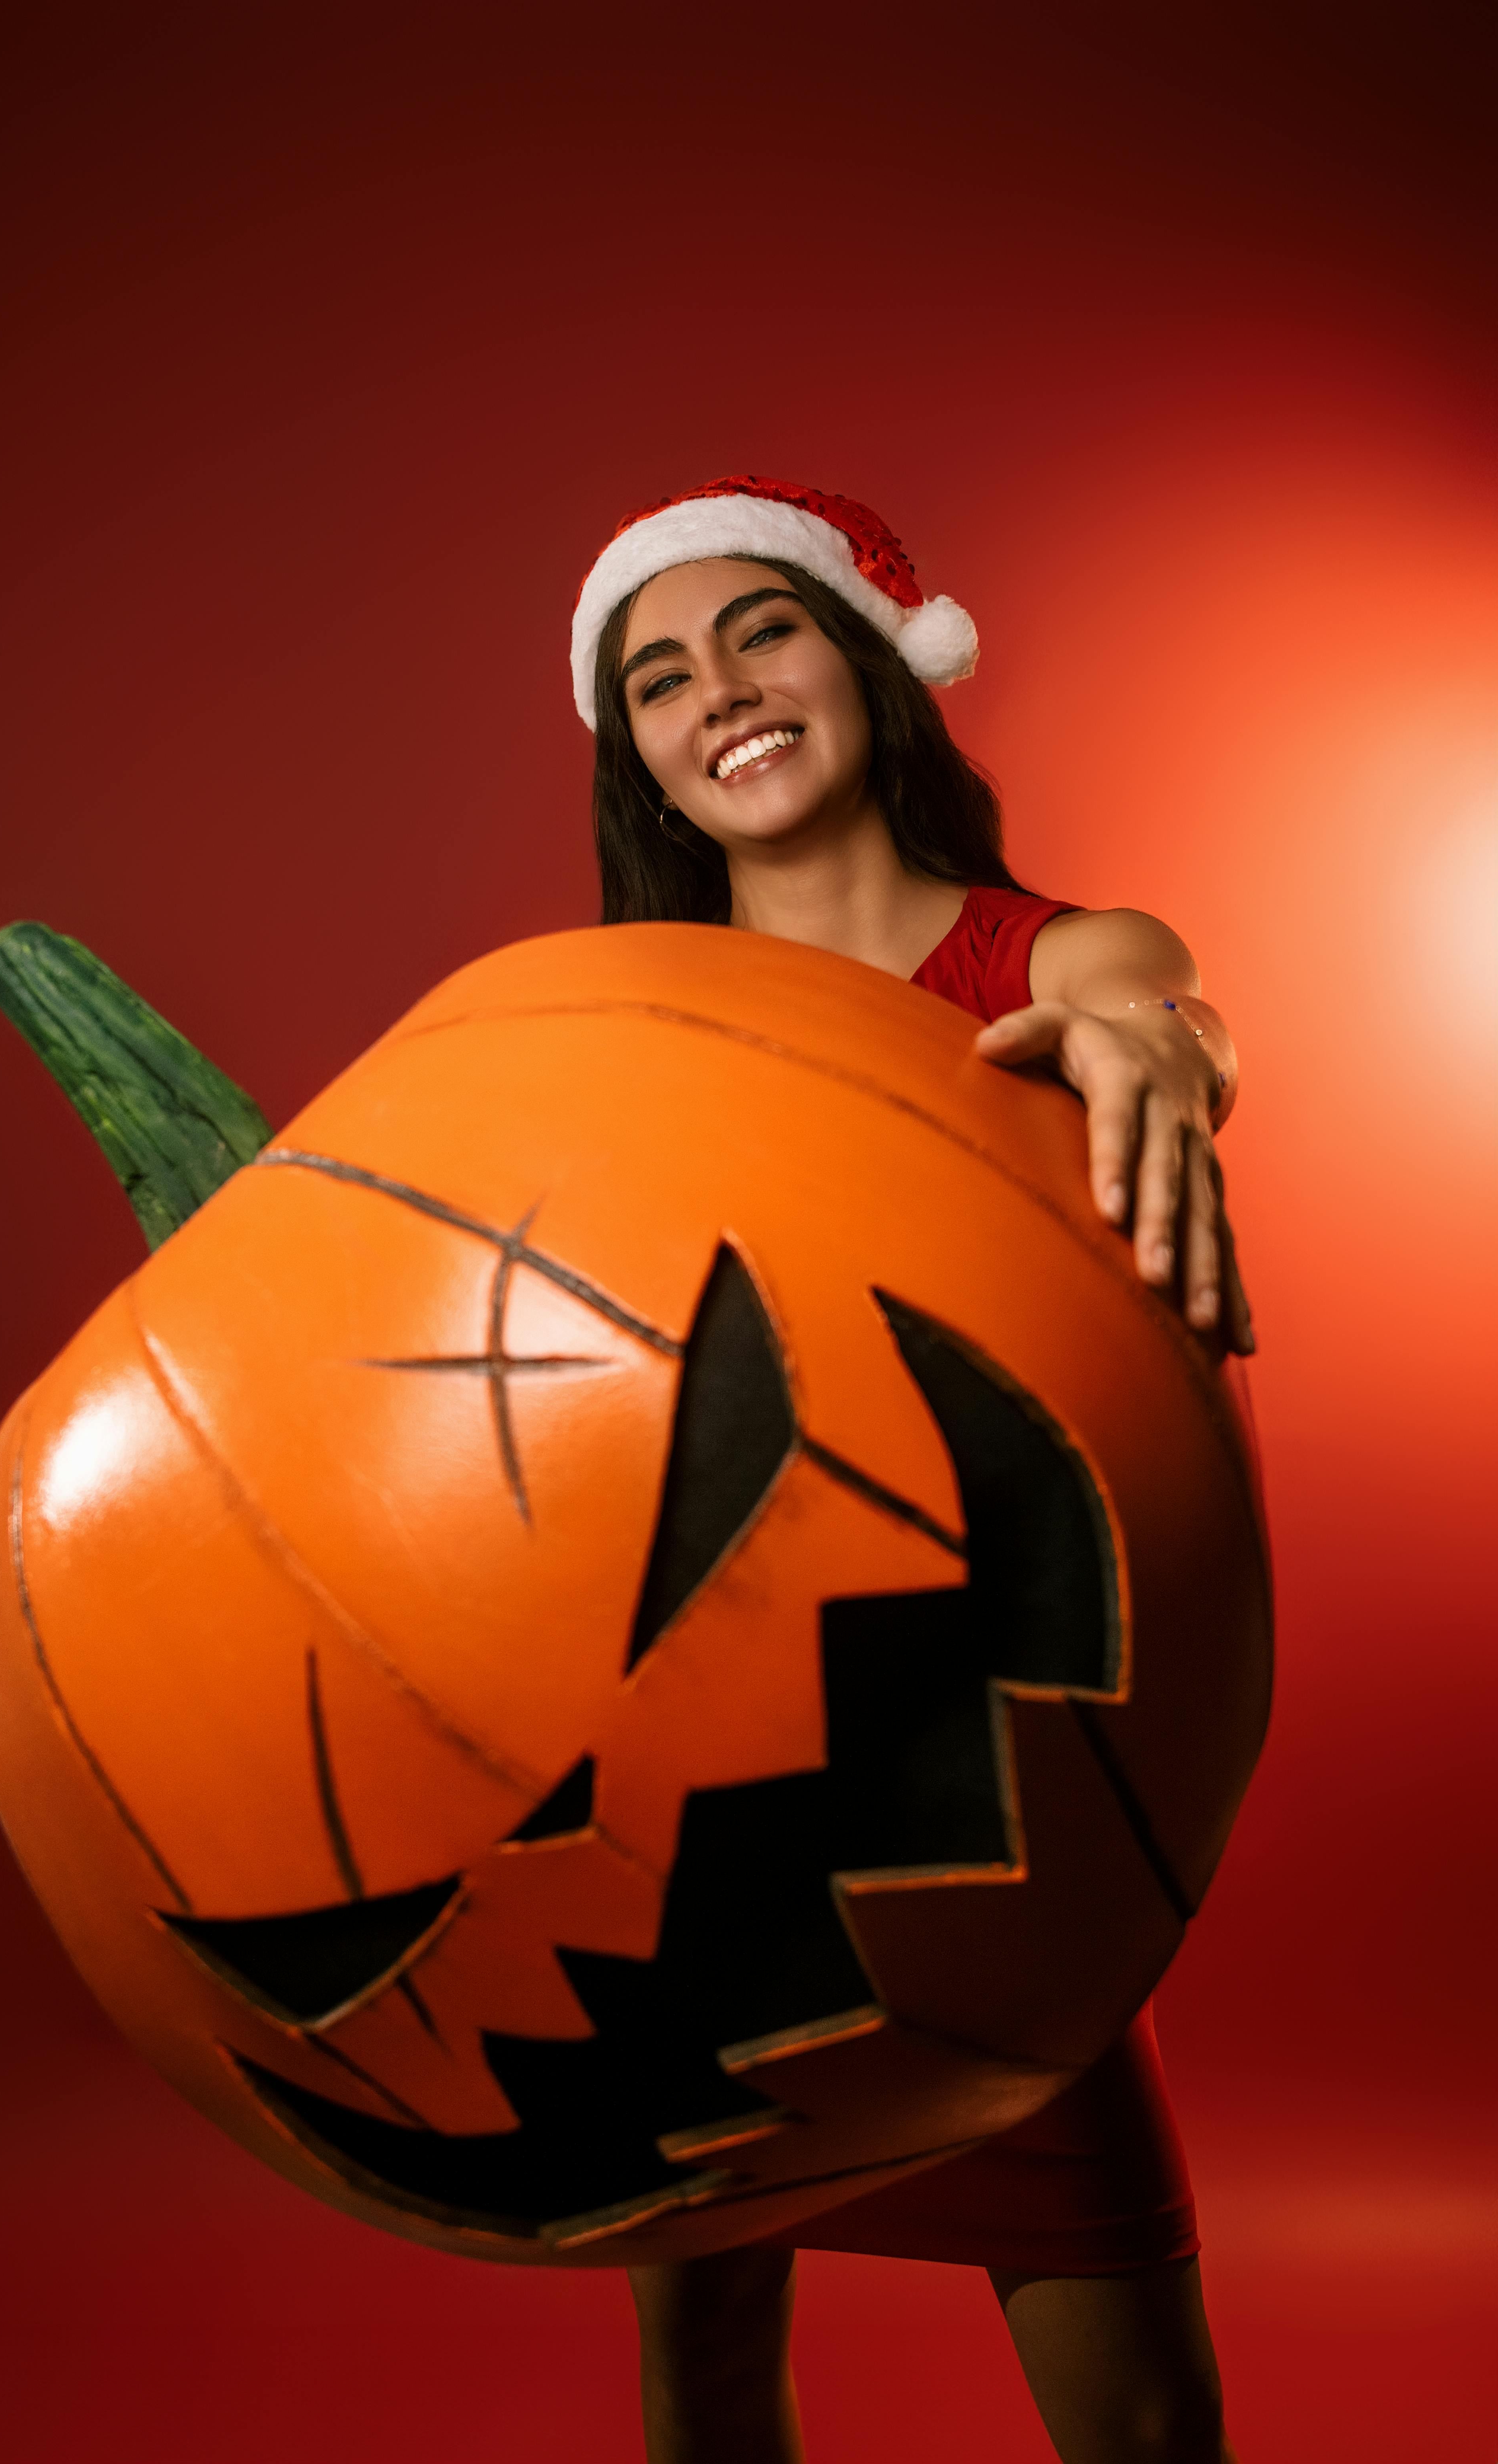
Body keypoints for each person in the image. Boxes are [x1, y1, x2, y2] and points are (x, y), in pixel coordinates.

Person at [569, 476, 1252, 2464]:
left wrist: (1158, 1055)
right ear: (651, 771)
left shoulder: (1062, 956)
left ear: (869, 664)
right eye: (663, 681)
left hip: (990, 1789)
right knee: (698, 2365)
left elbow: (1157, 1014)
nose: (726, 696)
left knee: (1139, 2419)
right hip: (711, 1774)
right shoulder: (622, 1031)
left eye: (761, 634)